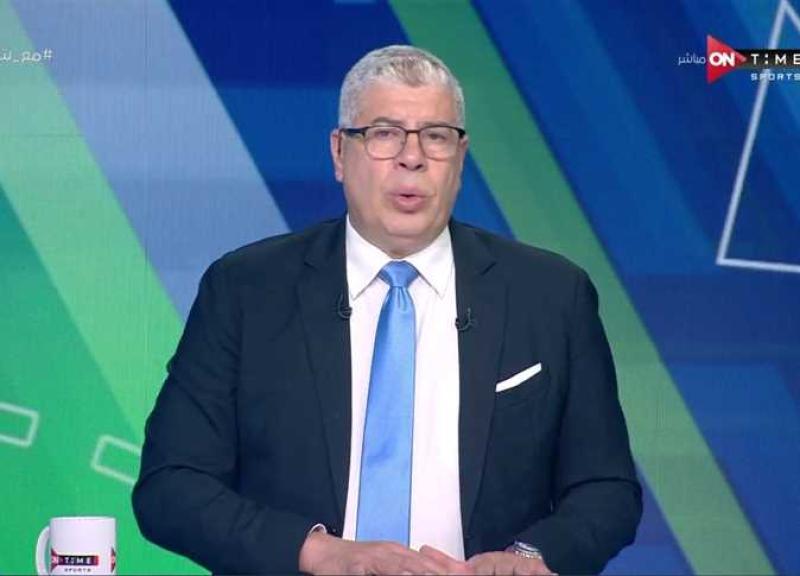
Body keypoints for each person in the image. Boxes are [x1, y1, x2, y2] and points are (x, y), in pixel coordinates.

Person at [133, 45, 641, 575]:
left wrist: (529, 558)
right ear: (339, 152)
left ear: (460, 158)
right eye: (384, 133)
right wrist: (319, 553)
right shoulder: (246, 290)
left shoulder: (551, 294)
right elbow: (172, 486)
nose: (412, 157)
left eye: (436, 136)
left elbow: (606, 490)